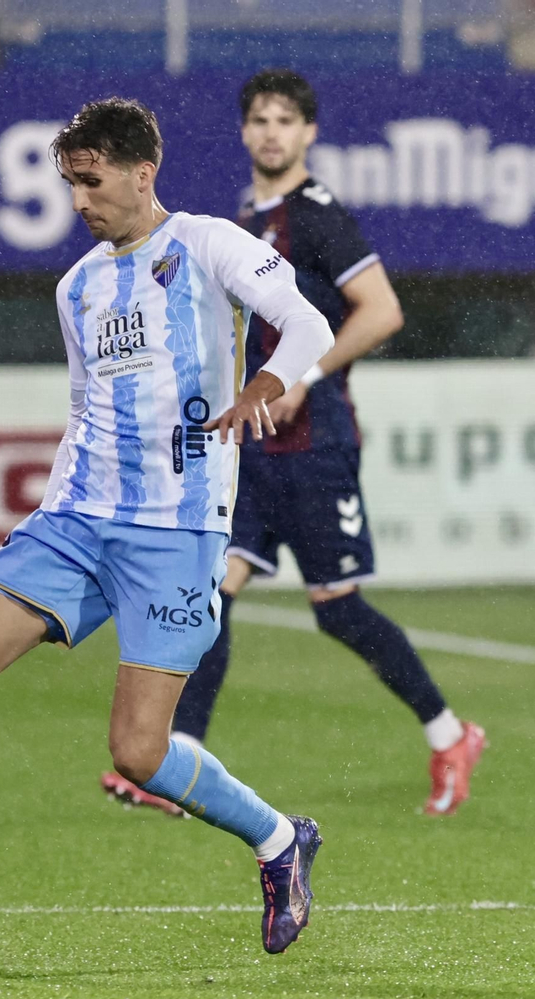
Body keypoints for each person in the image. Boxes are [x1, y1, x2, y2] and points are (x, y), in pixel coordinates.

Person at [0, 98, 333, 959]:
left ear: (142, 171)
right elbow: (85, 404)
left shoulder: (207, 244)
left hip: (174, 530)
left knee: (138, 751)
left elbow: (308, 322)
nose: (80, 201)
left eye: (92, 182)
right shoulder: (77, 285)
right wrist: (55, 507)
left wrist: (261, 392)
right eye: (69, 185)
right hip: (78, 519)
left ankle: (280, 839)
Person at [103, 70, 484, 820]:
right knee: (211, 596)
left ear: (309, 132)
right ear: (244, 132)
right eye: (259, 119)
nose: (272, 131)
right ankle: (175, 760)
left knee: (337, 607)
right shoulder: (251, 214)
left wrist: (303, 373)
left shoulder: (316, 214)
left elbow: (381, 311)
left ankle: (451, 733)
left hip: (315, 442)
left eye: (286, 119)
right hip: (256, 443)